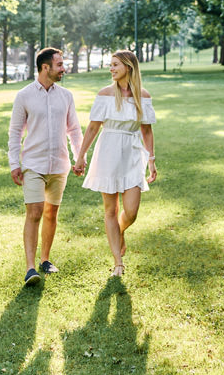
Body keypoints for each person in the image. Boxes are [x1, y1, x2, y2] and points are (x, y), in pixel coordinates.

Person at [74, 50, 157, 279]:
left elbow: (147, 130)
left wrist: (151, 161)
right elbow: (92, 127)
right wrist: (81, 156)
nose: (111, 69)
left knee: (131, 212)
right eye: (110, 65)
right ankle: (118, 263)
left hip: (132, 154)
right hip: (108, 151)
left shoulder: (143, 96)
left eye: (115, 65)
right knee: (110, 210)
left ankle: (119, 232)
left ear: (128, 67)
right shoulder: (105, 94)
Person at [8, 46, 83, 287]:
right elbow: (15, 132)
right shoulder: (24, 96)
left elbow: (74, 130)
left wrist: (79, 157)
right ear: (45, 67)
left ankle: (45, 260)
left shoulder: (66, 96)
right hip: (33, 164)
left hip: (59, 164)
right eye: (60, 65)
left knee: (52, 213)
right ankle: (30, 268)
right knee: (35, 212)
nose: (64, 69)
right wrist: (14, 163)